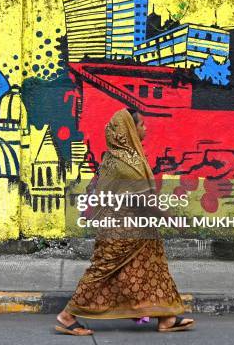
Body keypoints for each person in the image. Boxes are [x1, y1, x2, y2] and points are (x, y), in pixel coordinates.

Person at [55, 108, 194, 335]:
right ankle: (66, 316)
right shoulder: (127, 164)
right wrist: (173, 220)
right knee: (102, 272)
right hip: (122, 232)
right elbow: (145, 202)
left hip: (135, 229)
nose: (145, 128)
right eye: (141, 125)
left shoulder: (115, 157)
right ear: (130, 130)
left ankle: (166, 317)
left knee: (153, 270)